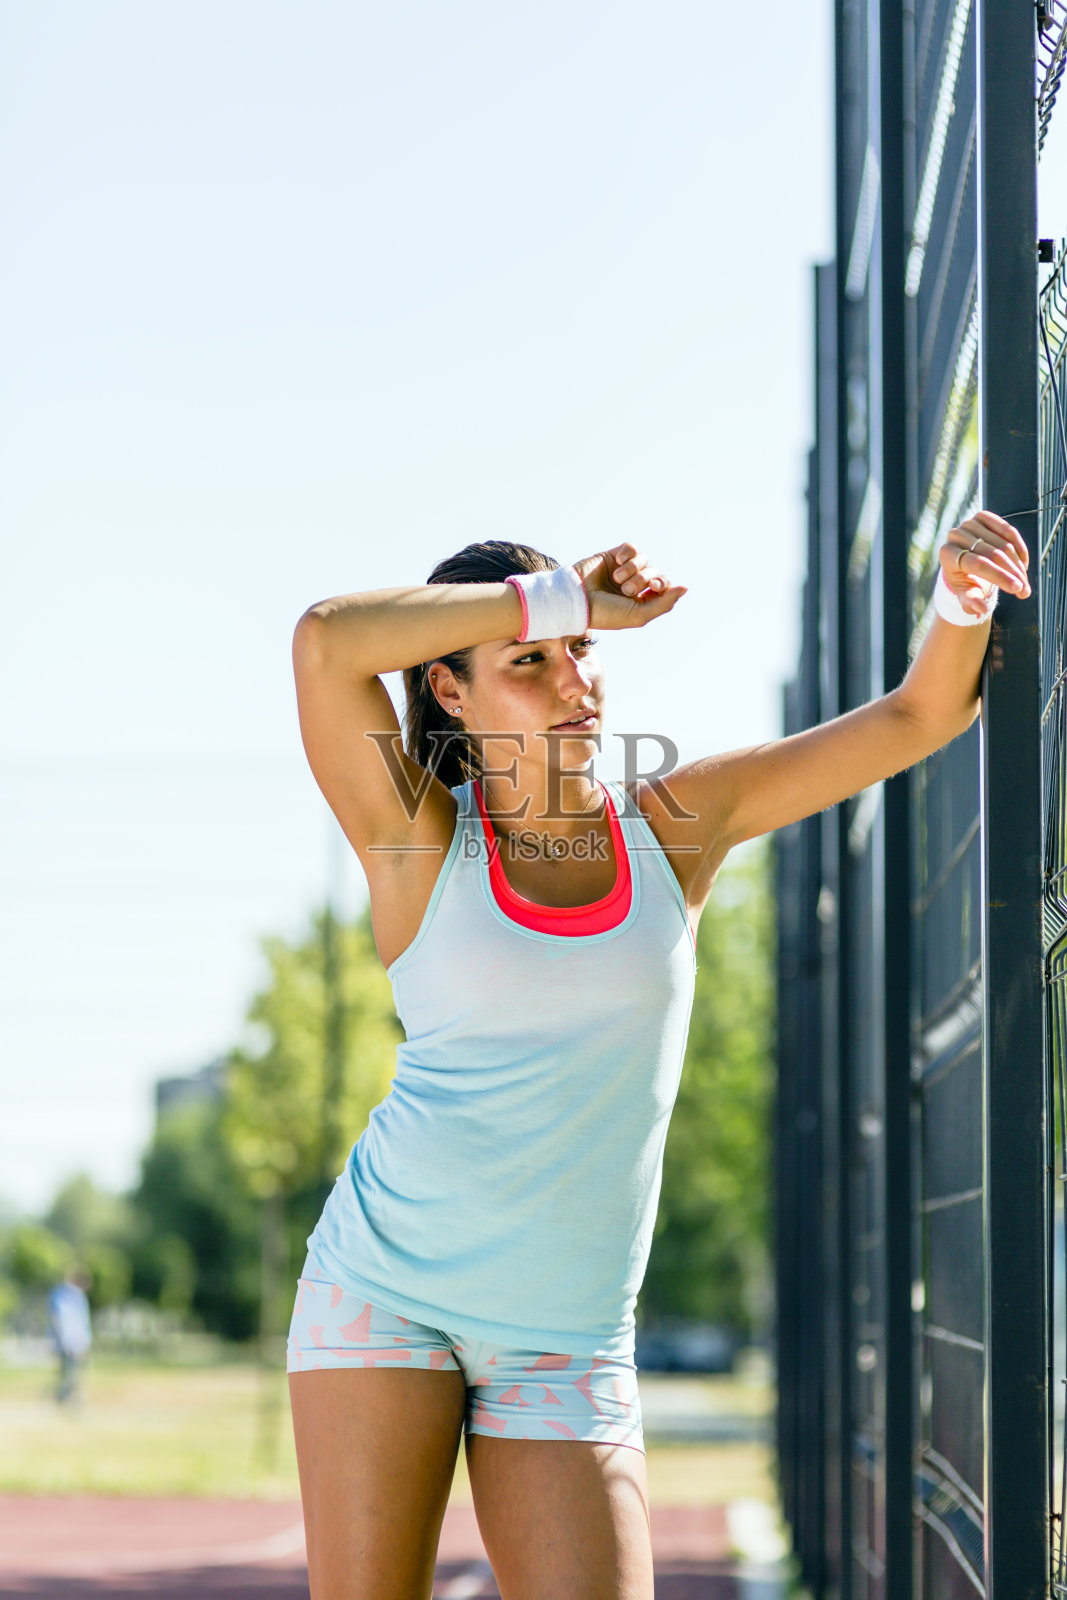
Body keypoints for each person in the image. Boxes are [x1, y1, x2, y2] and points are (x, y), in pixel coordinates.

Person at [286, 513, 1029, 1600]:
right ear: (448, 691)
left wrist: (961, 594)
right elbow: (322, 642)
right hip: (383, 1291)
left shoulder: (672, 828)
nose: (573, 676)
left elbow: (918, 713)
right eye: (531, 660)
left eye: (582, 650)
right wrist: (563, 596)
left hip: (567, 1337)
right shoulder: (418, 838)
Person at [47, 1265, 92, 1406]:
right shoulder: (64, 1295)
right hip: (69, 1340)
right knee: (69, 1372)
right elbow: (62, 1320)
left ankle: (67, 1398)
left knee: (73, 1372)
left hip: (75, 1340)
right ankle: (65, 1398)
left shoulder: (75, 1296)